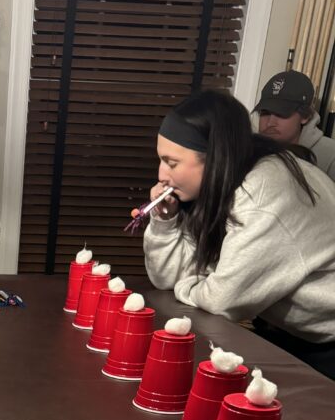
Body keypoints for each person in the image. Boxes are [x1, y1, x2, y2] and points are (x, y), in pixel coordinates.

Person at [143, 89, 335, 380]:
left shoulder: (263, 193)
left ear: (214, 158)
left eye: (172, 163)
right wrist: (165, 222)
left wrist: (192, 285)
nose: (161, 175)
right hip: (290, 333)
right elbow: (166, 278)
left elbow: (222, 302)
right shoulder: (224, 182)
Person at [254, 70, 335, 181]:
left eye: (281, 113)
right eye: (265, 112)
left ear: (305, 116)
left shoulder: (330, 157)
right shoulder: (249, 153)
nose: (270, 123)